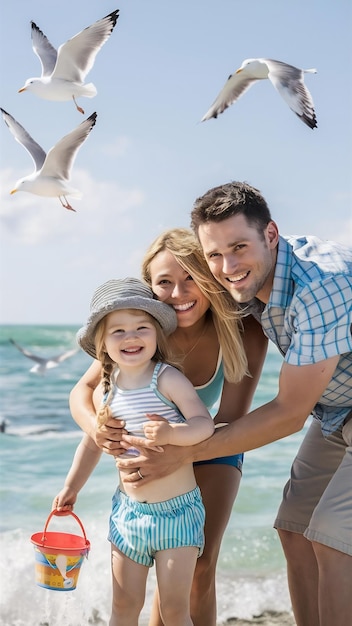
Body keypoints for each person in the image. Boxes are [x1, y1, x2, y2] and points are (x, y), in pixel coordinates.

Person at [116, 182, 352, 626]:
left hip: (327, 408)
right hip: (337, 410)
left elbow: (287, 412)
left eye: (239, 247)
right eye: (215, 255)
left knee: (333, 539)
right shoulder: (241, 286)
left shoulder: (322, 285)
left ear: (271, 234)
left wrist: (180, 454)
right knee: (296, 529)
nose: (228, 266)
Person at [68, 228, 267, 626]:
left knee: (201, 564)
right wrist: (96, 428)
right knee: (160, 567)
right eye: (164, 282)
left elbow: (230, 421)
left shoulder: (246, 333)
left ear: (209, 277)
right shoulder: (144, 334)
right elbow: (83, 390)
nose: (179, 293)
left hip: (215, 439)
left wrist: (179, 453)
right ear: (150, 288)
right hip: (156, 447)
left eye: (191, 277)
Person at [54, 277, 215, 626]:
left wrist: (174, 432)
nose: (131, 337)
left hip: (178, 515)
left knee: (174, 610)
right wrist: (72, 486)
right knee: (123, 608)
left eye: (142, 327)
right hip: (127, 516)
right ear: (102, 345)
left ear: (157, 333)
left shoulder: (167, 378)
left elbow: (204, 424)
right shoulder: (107, 390)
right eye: (118, 332)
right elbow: (94, 442)